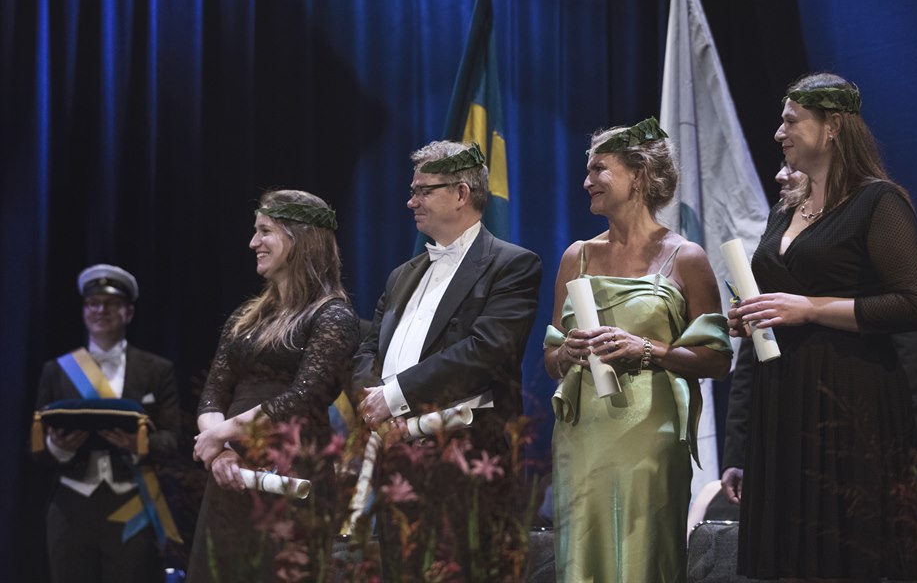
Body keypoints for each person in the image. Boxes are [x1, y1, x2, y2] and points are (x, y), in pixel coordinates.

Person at [728, 73, 917, 581]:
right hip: (781, 399)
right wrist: (753, 315)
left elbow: (913, 305)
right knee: (791, 560)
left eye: (791, 121)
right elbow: (780, 299)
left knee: (845, 554)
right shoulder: (786, 211)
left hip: (848, 397)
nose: (779, 133)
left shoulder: (877, 202)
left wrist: (811, 308)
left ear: (834, 126)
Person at [543, 117, 733, 583]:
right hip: (581, 434)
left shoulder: (685, 257)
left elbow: (717, 359)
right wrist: (568, 352)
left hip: (651, 433)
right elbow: (550, 360)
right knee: (581, 554)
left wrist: (646, 349)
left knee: (643, 553)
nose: (587, 181)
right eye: (587, 170)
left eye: (599, 169)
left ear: (640, 175)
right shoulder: (576, 256)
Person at [352, 140, 542, 576]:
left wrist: (393, 397)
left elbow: (487, 350)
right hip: (395, 457)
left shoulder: (512, 265)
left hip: (465, 462)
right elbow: (368, 349)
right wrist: (373, 404)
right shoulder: (402, 275)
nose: (411, 201)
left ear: (461, 194)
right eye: (412, 190)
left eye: (423, 190)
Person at [721, 162, 917, 507]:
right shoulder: (780, 224)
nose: (780, 175)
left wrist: (913, 446)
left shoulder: (873, 214)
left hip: (861, 425)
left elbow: (916, 351)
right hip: (783, 426)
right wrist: (738, 451)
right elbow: (752, 358)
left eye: (792, 165)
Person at [188, 189, 360, 583]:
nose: (254, 243)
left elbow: (303, 397)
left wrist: (221, 436)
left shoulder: (333, 316)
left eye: (265, 231)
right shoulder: (245, 316)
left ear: (300, 238)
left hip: (290, 474)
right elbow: (213, 392)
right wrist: (221, 455)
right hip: (231, 476)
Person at [34, 264, 181, 583]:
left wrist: (139, 444)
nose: (101, 310)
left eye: (112, 304)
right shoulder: (57, 370)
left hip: (132, 505)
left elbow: (173, 439)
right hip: (70, 506)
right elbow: (35, 448)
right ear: (84, 311)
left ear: (129, 313)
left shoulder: (157, 370)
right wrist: (57, 448)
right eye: (94, 303)